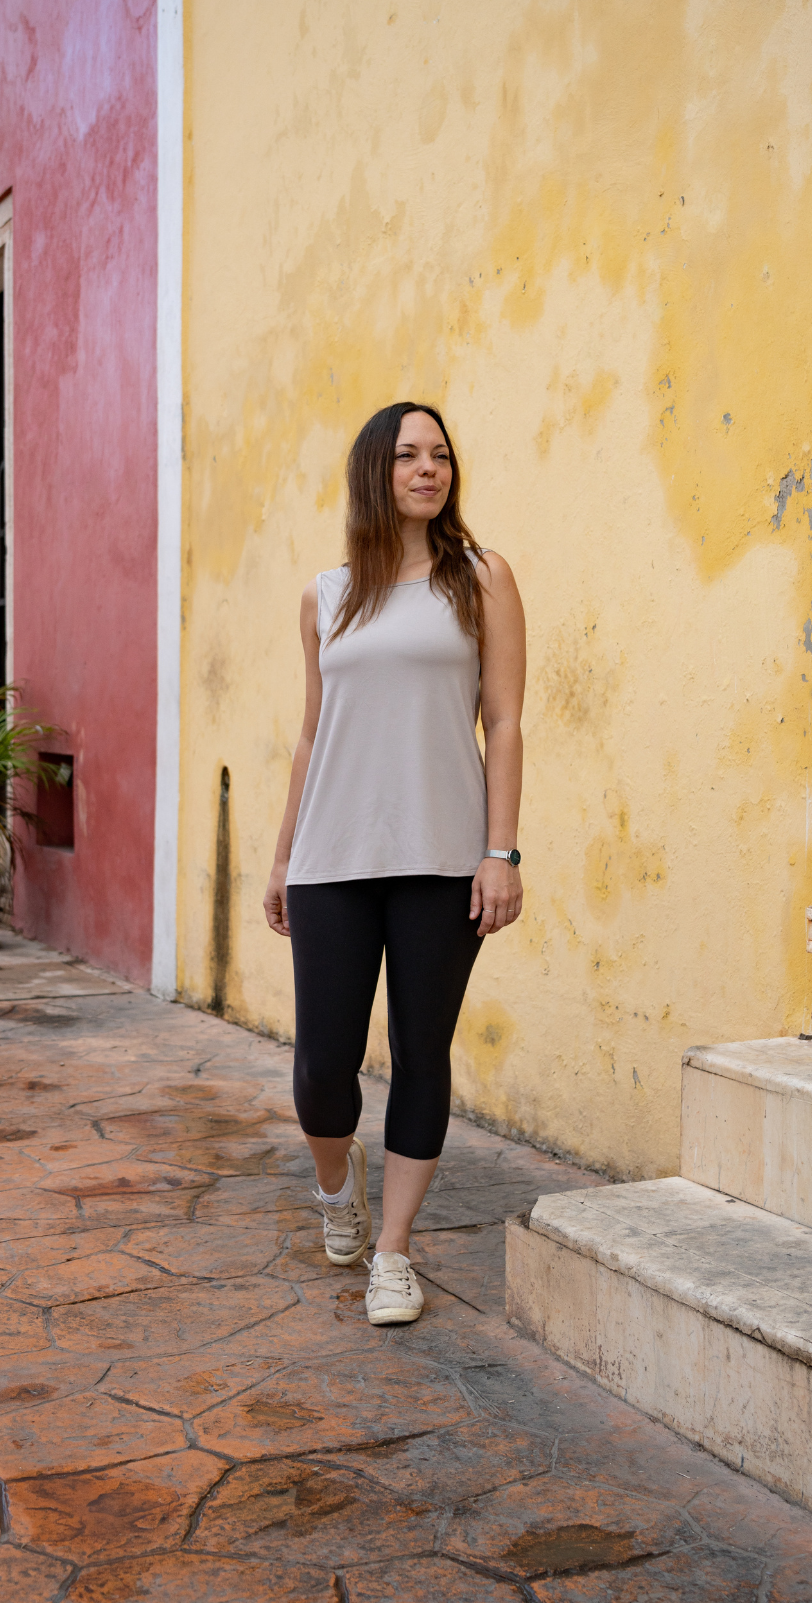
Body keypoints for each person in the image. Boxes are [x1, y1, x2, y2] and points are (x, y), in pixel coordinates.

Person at [263, 401, 526, 1326]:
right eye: (409, 454)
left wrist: (501, 853)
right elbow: (310, 733)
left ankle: (393, 1252)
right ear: (375, 471)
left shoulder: (480, 579)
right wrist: (283, 853)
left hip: (442, 858)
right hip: (333, 854)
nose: (429, 468)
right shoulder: (325, 595)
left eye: (442, 455)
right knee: (323, 1065)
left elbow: (505, 723)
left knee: (422, 1053)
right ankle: (340, 1189)